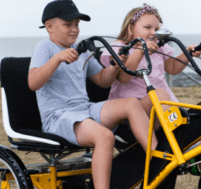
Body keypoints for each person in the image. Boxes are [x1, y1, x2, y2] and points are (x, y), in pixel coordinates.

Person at [27, 1, 156, 189]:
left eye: (77, 24)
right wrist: (57, 59)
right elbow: (33, 82)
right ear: (49, 26)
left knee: (130, 103)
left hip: (85, 110)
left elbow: (103, 80)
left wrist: (114, 65)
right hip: (59, 117)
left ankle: (157, 158)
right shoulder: (45, 47)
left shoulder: (82, 50)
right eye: (68, 24)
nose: (74, 30)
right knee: (104, 137)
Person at [100, 3, 201, 119]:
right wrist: (140, 51)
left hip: (162, 103)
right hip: (135, 108)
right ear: (131, 28)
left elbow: (172, 68)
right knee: (161, 98)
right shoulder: (119, 48)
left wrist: (187, 54)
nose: (154, 33)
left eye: (156, 29)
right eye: (147, 27)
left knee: (191, 133)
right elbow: (123, 77)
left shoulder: (158, 48)